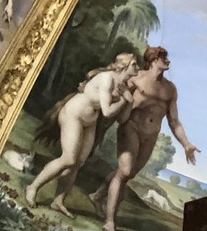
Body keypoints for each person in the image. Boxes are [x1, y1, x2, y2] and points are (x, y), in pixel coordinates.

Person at [89, 46, 200, 231]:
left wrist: (186, 144)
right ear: (153, 60)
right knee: (125, 171)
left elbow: (174, 121)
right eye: (164, 58)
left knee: (128, 174)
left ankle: (97, 196)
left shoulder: (170, 89)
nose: (168, 61)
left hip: (150, 136)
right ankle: (110, 221)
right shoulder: (136, 78)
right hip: (131, 128)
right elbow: (115, 101)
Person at [25, 54, 138, 215]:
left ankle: (58, 201)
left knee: (78, 163)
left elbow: (122, 119)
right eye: (134, 64)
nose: (138, 68)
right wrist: (122, 101)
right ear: (124, 66)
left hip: (90, 122)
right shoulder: (107, 78)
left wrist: (130, 101)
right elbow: (107, 112)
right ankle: (33, 187)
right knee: (68, 159)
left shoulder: (124, 87)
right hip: (74, 114)